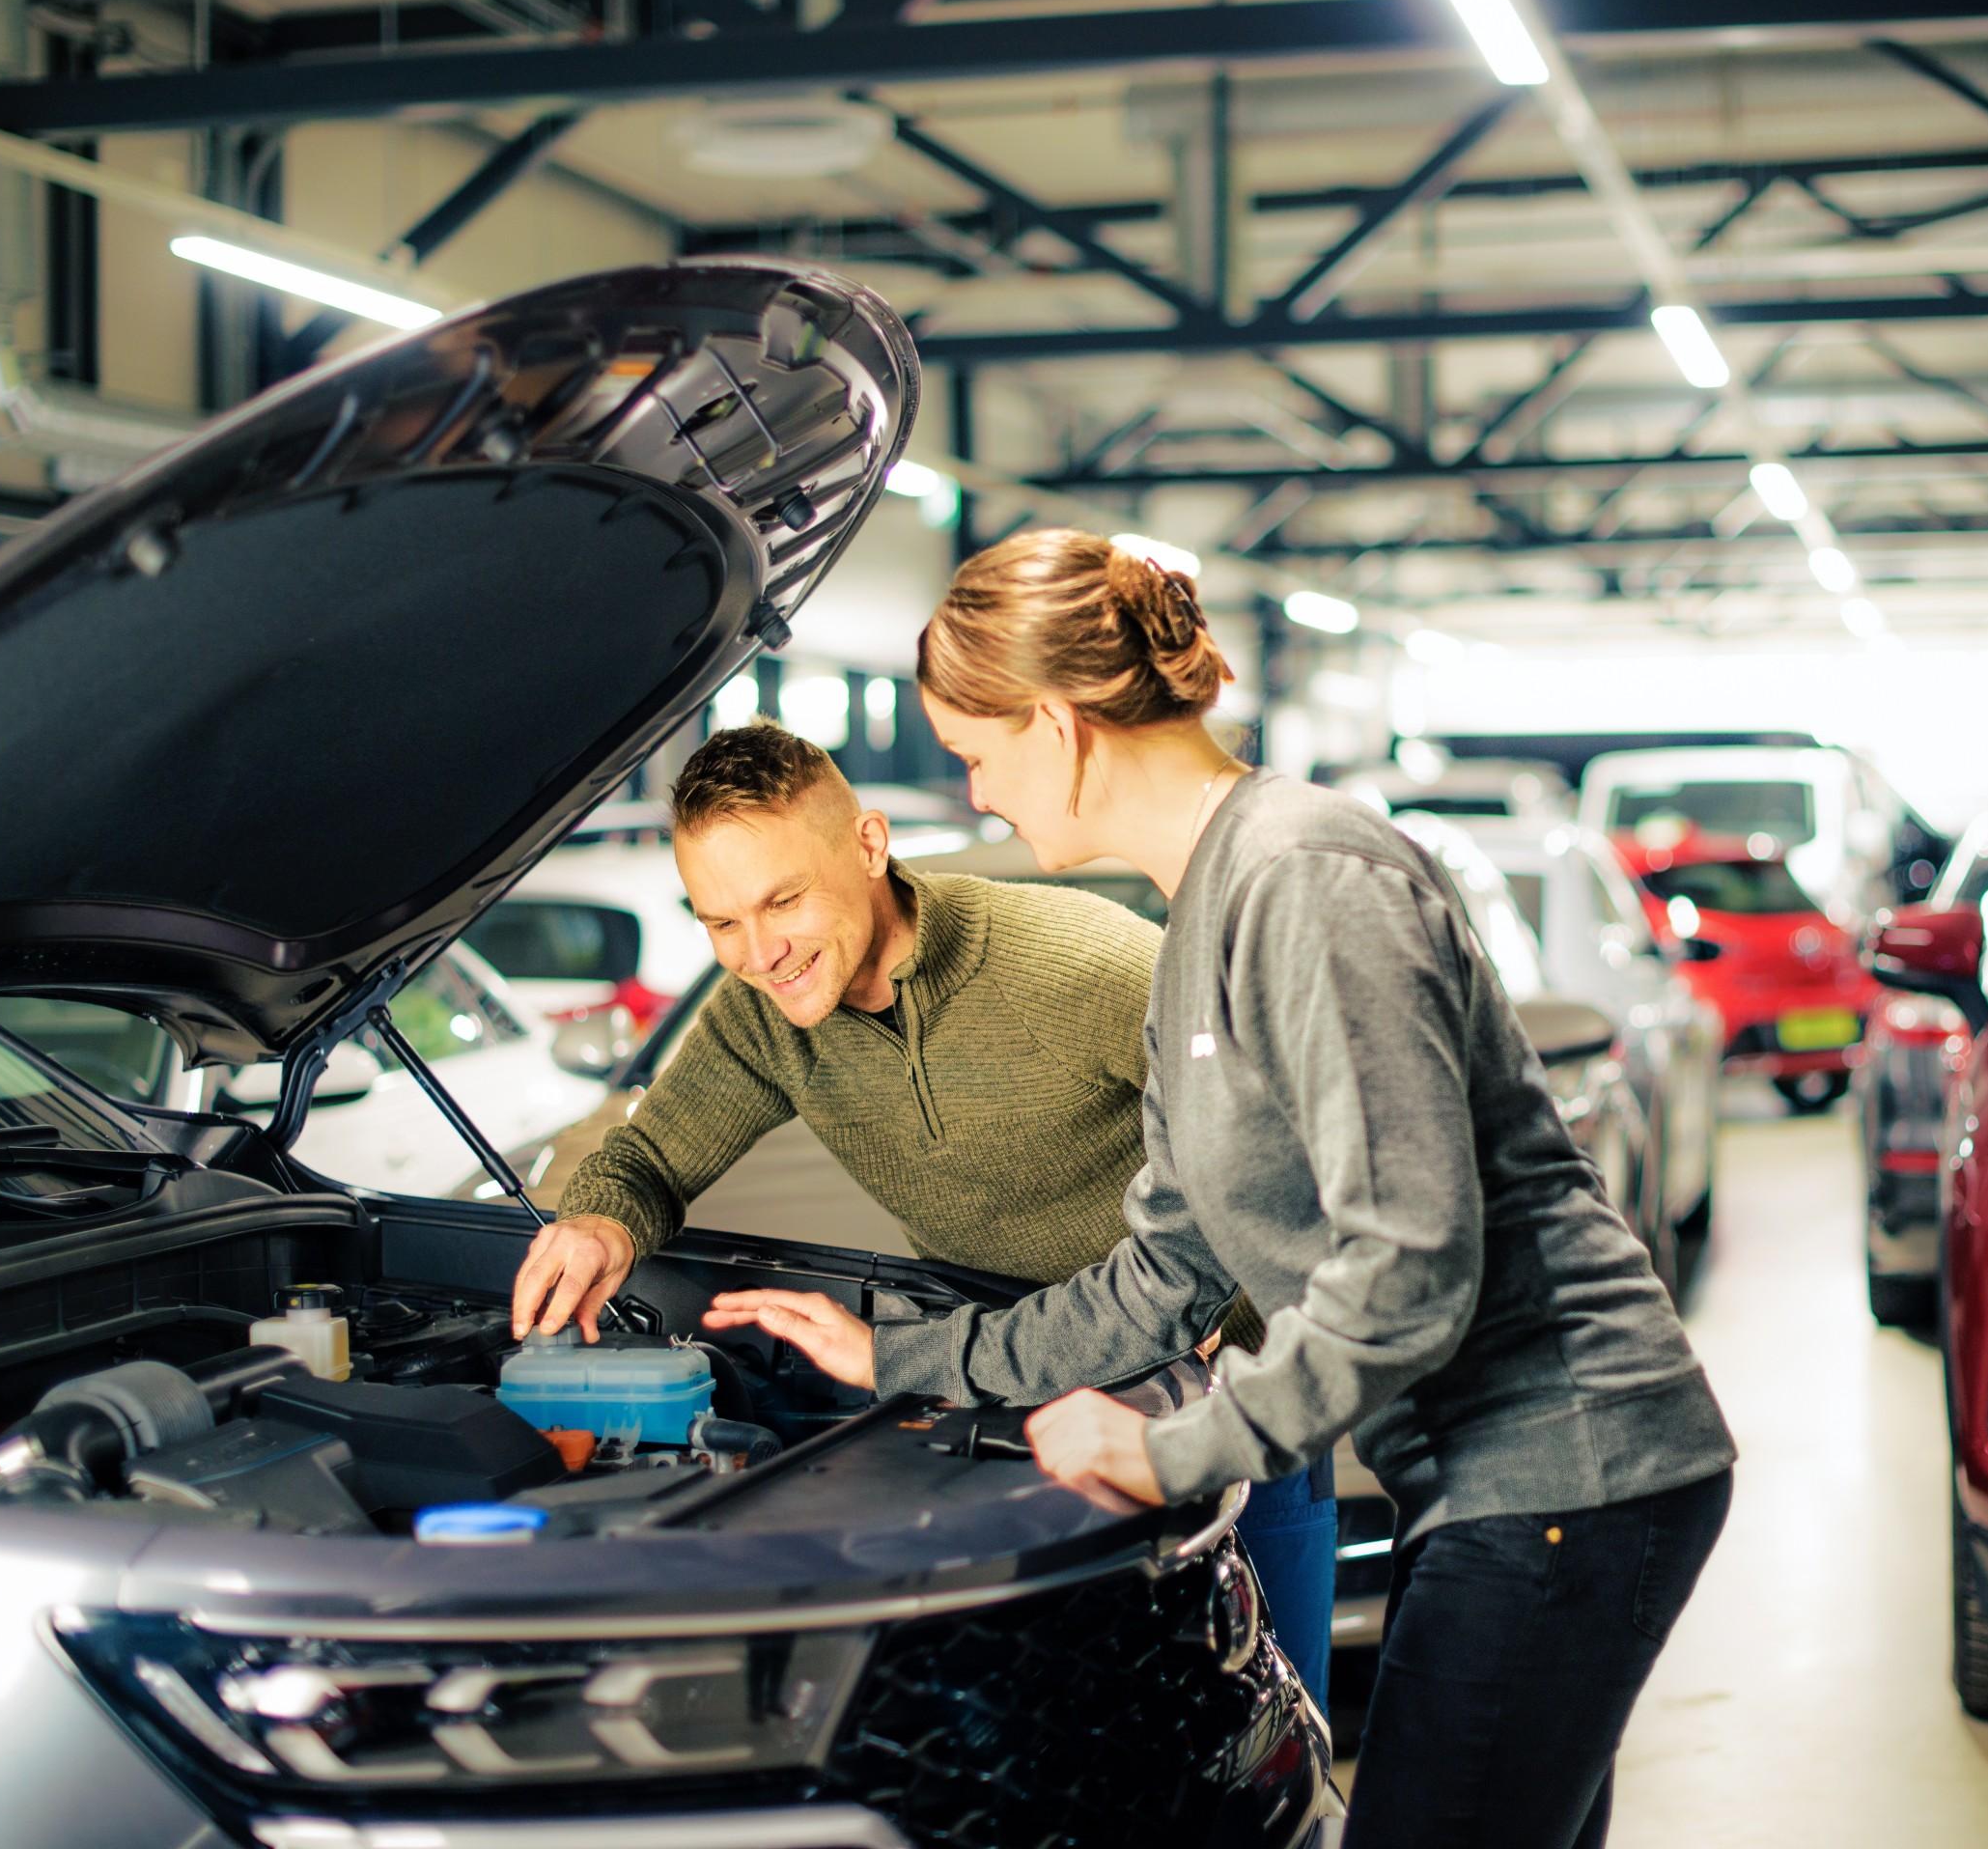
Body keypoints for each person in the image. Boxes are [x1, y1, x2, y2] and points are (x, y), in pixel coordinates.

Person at [711, 529, 1736, 1848]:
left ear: (1058, 726)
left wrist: (1169, 1449)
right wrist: (902, 1358)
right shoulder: (1196, 922)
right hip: (1496, 1483)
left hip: (1572, 1465)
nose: (979, 802)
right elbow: (1166, 1271)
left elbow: (1413, 1263)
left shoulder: (1304, 881)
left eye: (975, 758)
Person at [502, 718, 1335, 1705]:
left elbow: (1285, 1144)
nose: (758, 952)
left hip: (1221, 1398)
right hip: (1001, 1387)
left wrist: (1227, 1337)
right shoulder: (761, 1019)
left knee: (1259, 1714)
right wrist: (601, 1219)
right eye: (718, 920)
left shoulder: (1081, 964)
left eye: (782, 899)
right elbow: (645, 1155)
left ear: (868, 844)